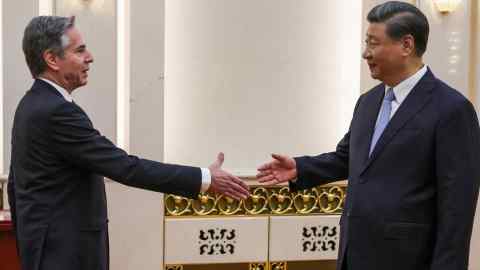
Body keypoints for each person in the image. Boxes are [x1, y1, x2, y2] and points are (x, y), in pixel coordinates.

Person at [8, 16, 250, 270]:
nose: (90, 57)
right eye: (80, 50)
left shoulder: (31, 105)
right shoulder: (56, 111)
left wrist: (30, 246)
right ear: (52, 59)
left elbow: (16, 186)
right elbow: (125, 167)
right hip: (66, 256)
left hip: (47, 252)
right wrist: (205, 179)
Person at [257, 2, 480, 270]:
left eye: (373, 43)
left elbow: (457, 210)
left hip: (408, 260)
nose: (366, 53)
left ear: (406, 45)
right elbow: (347, 158)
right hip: (355, 254)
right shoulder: (368, 101)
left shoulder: (451, 109)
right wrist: (300, 168)